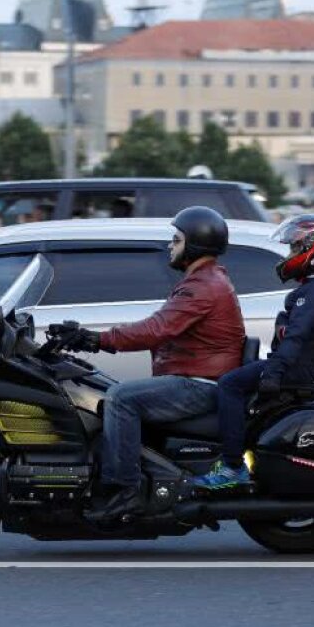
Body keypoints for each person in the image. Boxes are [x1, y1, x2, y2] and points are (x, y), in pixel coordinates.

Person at [58, 206, 246, 522]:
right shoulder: (205, 281)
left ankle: (125, 491)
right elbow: (158, 328)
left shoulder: (203, 287)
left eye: (176, 240)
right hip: (198, 376)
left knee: (120, 399)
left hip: (200, 383)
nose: (169, 247)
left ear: (196, 245)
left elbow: (156, 329)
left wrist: (95, 339)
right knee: (107, 388)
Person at [192, 215, 314, 491]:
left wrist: (274, 371)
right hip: (294, 363)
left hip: (293, 367)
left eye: (295, 249)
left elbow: (297, 337)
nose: (289, 255)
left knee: (230, 384)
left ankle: (232, 467)